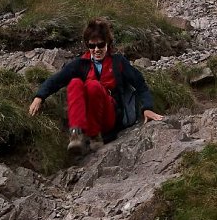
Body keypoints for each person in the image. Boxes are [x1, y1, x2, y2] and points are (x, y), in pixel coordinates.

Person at [28, 18, 164, 155]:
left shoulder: (118, 62)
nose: (96, 50)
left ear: (108, 44)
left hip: (110, 116)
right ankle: (76, 134)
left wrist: (147, 108)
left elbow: (140, 84)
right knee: (75, 83)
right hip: (88, 117)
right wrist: (39, 97)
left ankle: (95, 136)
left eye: (100, 45)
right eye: (92, 46)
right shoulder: (81, 64)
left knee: (93, 85)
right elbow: (56, 80)